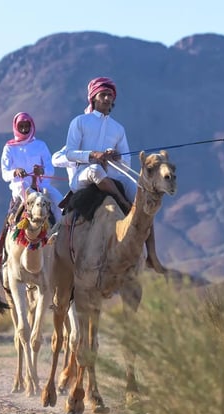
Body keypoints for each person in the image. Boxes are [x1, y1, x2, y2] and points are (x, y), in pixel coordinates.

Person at [52, 76, 165, 273]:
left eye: (110, 96)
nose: (106, 99)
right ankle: (122, 202)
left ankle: (152, 254)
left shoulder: (118, 128)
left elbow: (126, 161)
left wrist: (116, 157)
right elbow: (69, 152)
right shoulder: (79, 122)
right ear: (93, 98)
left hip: (111, 176)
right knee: (95, 170)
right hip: (82, 177)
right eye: (103, 95)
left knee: (144, 193)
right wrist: (93, 155)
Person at [1, 112, 63, 218]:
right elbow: (5, 174)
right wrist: (15, 172)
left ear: (31, 126)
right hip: (20, 188)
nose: (24, 129)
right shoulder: (9, 148)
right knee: (25, 190)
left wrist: (42, 171)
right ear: (16, 127)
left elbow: (50, 169)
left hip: (42, 187)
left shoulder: (40, 145)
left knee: (60, 203)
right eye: (21, 126)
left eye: (26, 126)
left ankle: (59, 232)